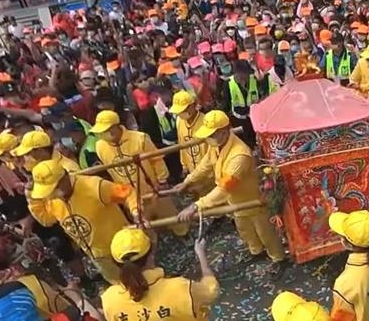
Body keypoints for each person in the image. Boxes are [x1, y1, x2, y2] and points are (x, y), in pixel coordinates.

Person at [176, 110, 286, 268]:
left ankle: (278, 258)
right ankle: (256, 251)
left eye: (212, 134)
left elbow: (224, 188)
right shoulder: (217, 145)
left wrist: (195, 206)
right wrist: (188, 181)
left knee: (265, 232)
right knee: (245, 230)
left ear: (224, 131)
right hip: (235, 201)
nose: (209, 138)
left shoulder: (239, 156)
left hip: (252, 200)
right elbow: (205, 165)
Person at [103, 228, 220, 321]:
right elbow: (211, 291)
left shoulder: (109, 299)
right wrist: (202, 256)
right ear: (151, 255)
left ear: (115, 263)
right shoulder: (180, 288)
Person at [26, 159, 134, 285]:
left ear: (64, 179)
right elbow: (46, 220)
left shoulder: (94, 186)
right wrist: (33, 200)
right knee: (121, 287)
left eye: (53, 189)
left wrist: (135, 211)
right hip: (99, 256)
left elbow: (127, 193)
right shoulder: (53, 199)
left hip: (125, 246)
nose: (51, 194)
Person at [90, 109, 188, 237]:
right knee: (143, 222)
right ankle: (151, 244)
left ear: (116, 126)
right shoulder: (100, 147)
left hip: (152, 188)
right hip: (130, 195)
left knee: (168, 213)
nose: (103, 134)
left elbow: (156, 159)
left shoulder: (139, 138)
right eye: (101, 132)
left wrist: (162, 180)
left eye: (106, 130)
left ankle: (183, 233)